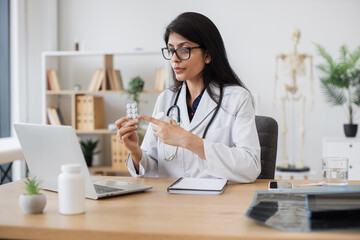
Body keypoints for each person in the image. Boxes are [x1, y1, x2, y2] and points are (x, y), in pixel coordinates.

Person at [115, 12, 260, 183]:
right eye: (171, 50)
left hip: (217, 203)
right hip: (171, 203)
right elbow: (153, 169)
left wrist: (187, 140)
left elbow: (250, 166)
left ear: (208, 54)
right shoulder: (166, 99)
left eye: (184, 50)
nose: (174, 59)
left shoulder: (237, 98)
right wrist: (134, 151)